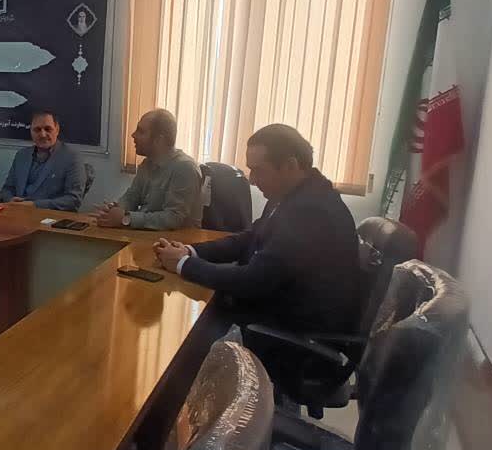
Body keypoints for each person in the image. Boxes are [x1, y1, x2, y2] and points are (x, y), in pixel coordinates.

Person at [152, 124, 363, 334]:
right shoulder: (291, 195)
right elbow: (250, 238)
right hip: (272, 312)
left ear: (290, 166)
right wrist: (190, 251)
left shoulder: (311, 211)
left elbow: (252, 280)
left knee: (182, 328)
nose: (252, 180)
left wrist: (183, 264)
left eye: (258, 170)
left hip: (290, 333)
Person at [93, 109, 201, 230]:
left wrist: (126, 218)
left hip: (176, 239)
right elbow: (132, 197)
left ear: (159, 140)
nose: (133, 135)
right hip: (148, 235)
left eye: (141, 131)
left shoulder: (185, 168)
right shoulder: (147, 164)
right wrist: (115, 209)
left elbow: (173, 218)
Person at [0, 110, 86, 211]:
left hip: (48, 216)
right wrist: (10, 200)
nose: (43, 134)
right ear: (31, 131)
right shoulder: (22, 155)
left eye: (48, 129)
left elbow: (73, 200)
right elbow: (7, 189)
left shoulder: (72, 157)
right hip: (16, 212)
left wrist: (35, 205)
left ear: (57, 129)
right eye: (37, 130)